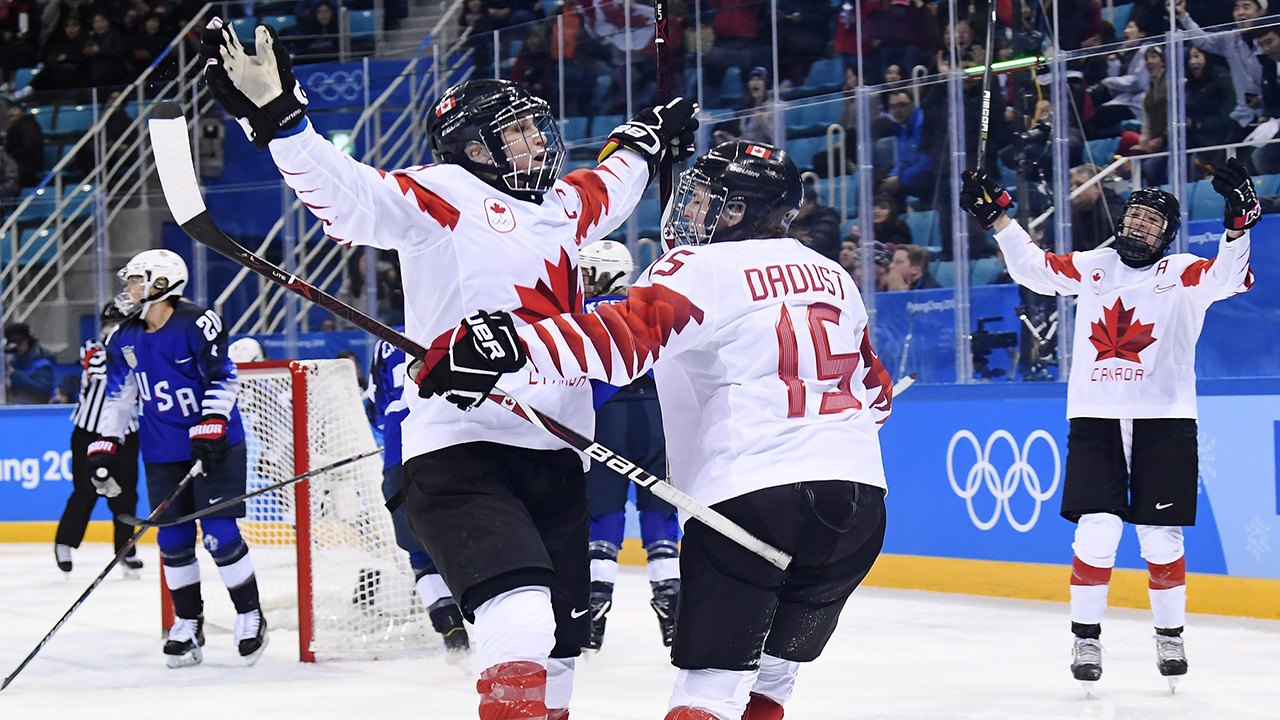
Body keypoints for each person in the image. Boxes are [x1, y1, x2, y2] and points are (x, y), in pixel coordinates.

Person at [199, 18, 697, 717]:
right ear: (471, 147)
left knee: (558, 648)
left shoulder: (561, 205)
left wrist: (645, 137)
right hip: (463, 449)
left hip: (555, 451)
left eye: (535, 129)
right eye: (516, 133)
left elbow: (613, 183)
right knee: (519, 619)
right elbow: (350, 199)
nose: (536, 143)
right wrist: (285, 121)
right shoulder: (444, 193)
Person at [417, 140, 894, 720]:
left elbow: (620, 340)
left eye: (704, 202)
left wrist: (511, 343)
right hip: (859, 505)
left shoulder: (702, 267)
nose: (689, 214)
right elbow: (877, 396)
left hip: (750, 501)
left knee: (709, 694)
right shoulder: (833, 274)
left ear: (738, 211)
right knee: (771, 680)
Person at [959, 159, 1256, 691]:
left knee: (1160, 538)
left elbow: (1230, 277)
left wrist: (1238, 226)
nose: (1141, 225)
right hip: (1095, 417)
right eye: (1135, 216)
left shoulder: (1182, 272)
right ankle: (1086, 635)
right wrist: (999, 220)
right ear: (1122, 222)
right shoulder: (1096, 265)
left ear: (1167, 235)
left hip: (1164, 420)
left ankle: (1170, 633)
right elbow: (1036, 270)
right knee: (1098, 531)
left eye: (1153, 221)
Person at [93, 249, 268, 668]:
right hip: (162, 451)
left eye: (137, 280)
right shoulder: (122, 338)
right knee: (171, 540)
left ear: (162, 284)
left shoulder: (197, 323)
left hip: (215, 443)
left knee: (219, 534)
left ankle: (250, 615)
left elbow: (224, 374)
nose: (128, 289)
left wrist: (210, 425)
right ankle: (188, 625)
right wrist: (103, 446)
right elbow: (119, 397)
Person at [575, 239, 680, 651]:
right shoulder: (652, 308)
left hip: (606, 418)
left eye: (588, 274)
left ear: (607, 274)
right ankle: (673, 616)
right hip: (658, 418)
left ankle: (593, 618)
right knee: (660, 519)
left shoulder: (581, 312)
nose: (583, 283)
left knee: (603, 520)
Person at [367, 338, 471, 653]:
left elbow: (374, 406)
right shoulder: (453, 329)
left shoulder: (384, 344)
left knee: (418, 553)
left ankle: (448, 624)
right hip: (450, 450)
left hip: (398, 458)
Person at [54, 303, 143, 576]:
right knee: (85, 491)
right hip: (89, 431)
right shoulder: (93, 348)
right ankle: (65, 543)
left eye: (119, 324)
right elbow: (97, 367)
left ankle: (125, 550)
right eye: (109, 324)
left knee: (126, 495)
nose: (112, 329)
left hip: (125, 433)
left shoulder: (138, 350)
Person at [1176, 0, 1264, 132]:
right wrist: (1183, 16)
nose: (1240, 13)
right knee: (1230, 151)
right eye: (1236, 8)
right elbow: (1202, 40)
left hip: (1271, 112)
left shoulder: (1271, 40)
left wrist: (1262, 101)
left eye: (1246, 7)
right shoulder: (1230, 39)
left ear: (1260, 12)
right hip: (1243, 116)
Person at [1070, 164, 1126, 252]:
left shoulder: (1113, 210)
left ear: (1096, 187)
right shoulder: (1073, 212)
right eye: (1071, 184)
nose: (1072, 189)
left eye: (1079, 184)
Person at [5, 322, 56, 404]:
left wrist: (13, 373)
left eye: (20, 343)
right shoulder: (13, 360)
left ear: (28, 341)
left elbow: (43, 388)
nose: (17, 348)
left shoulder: (41, 361)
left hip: (38, 408)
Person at [791, 180, 841, 261]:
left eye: (799, 201)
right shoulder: (789, 220)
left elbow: (814, 246)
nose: (793, 205)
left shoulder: (828, 219)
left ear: (811, 204)